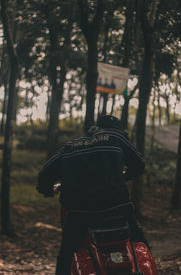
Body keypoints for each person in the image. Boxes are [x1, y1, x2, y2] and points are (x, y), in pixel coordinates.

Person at [37, 115, 148, 275]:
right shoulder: (115, 137)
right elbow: (139, 164)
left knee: (66, 253)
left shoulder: (71, 146)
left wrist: (47, 189)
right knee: (138, 238)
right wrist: (121, 176)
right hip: (117, 208)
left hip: (79, 213)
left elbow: (44, 175)